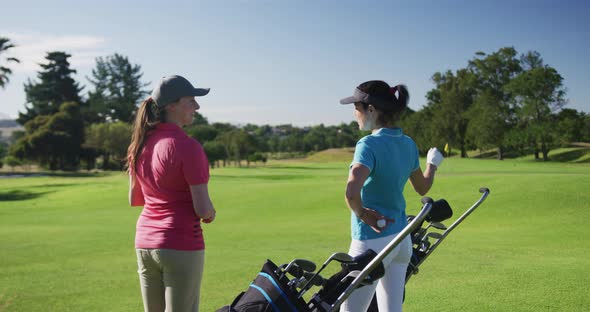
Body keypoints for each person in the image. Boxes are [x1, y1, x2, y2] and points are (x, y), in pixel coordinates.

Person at [338, 80, 444, 312]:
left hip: (371, 242)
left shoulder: (368, 145)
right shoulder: (407, 144)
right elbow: (423, 187)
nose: (355, 114)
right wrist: (432, 164)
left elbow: (351, 192)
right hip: (401, 241)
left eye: (357, 108)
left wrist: (364, 214)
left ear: (371, 110)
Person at [127, 75, 216, 312]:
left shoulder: (140, 144)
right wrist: (211, 212)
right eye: (191, 101)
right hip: (180, 243)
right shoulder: (188, 146)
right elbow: (203, 209)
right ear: (171, 106)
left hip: (145, 242)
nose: (197, 107)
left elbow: (134, 199)